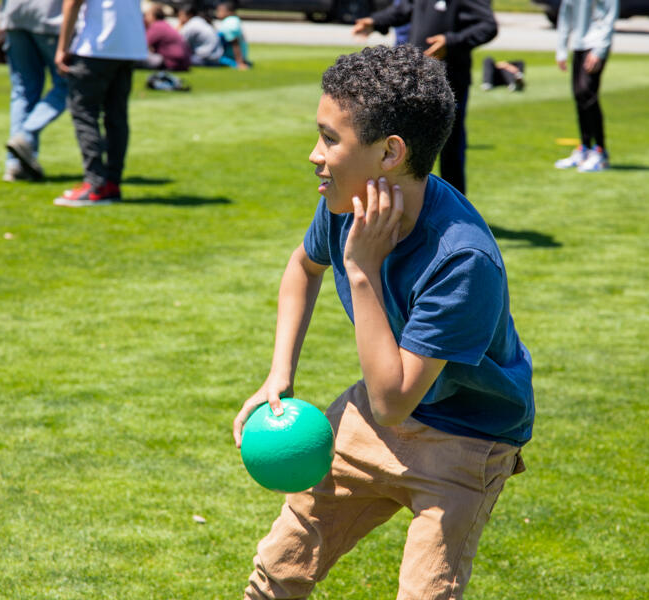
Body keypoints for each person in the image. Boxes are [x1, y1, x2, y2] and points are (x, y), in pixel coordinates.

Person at [233, 44, 533, 600]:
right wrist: (279, 373)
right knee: (278, 569)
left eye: (330, 138)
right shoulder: (346, 201)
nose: (314, 155)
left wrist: (363, 269)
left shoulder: (462, 259)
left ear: (390, 152)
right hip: (370, 419)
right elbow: (302, 269)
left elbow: (395, 400)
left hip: (466, 437)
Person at [353, 0, 498, 195]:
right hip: (414, 82)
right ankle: (401, 208)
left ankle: (454, 213)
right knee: (403, 147)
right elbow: (405, 9)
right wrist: (376, 21)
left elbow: (488, 26)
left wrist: (451, 41)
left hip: (449, 82)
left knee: (450, 149)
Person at [53, 0, 148, 206]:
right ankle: (112, 183)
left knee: (84, 114)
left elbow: (72, 3)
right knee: (117, 117)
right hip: (128, 45)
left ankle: (95, 184)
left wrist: (62, 47)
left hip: (96, 45)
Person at [0, 0, 69, 183]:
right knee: (68, 86)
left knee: (23, 90)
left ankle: (16, 165)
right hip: (48, 17)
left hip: (14, 14)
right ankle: (25, 136)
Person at [553, 0, 617, 172]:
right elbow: (566, 13)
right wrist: (561, 47)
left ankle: (600, 151)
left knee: (587, 92)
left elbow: (610, 16)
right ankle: (585, 148)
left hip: (596, 44)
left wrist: (600, 50)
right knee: (579, 95)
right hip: (579, 44)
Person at [141, 2, 192, 71]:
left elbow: (142, 44)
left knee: (138, 58)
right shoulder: (164, 25)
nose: (144, 18)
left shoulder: (156, 26)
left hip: (171, 62)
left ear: (153, 16)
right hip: (183, 62)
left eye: (147, 15)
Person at [177, 2, 224, 67]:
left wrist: (180, 25)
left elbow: (180, 42)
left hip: (206, 58)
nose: (179, 18)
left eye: (181, 15)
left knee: (176, 58)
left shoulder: (191, 25)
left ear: (189, 15)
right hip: (216, 58)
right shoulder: (200, 20)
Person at [215, 1, 251, 70]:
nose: (217, 13)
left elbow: (235, 43)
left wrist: (240, 63)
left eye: (220, 10)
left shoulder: (230, 23)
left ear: (229, 12)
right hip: (234, 57)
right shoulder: (234, 20)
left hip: (231, 58)